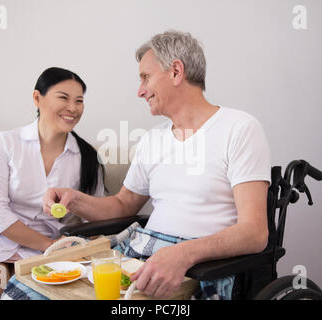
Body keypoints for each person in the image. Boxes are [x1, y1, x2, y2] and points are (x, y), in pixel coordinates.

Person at [44, 30, 272, 300]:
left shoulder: (239, 128)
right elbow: (122, 205)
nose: (140, 91)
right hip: (143, 252)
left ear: (176, 71)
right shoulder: (152, 139)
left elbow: (255, 233)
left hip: (201, 267)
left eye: (145, 77)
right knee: (31, 290)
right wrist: (74, 200)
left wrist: (182, 255)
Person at [0, 67, 105, 300]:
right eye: (63, 98)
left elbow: (96, 218)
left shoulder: (87, 158)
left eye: (79, 101)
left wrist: (84, 250)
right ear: (37, 98)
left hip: (46, 249)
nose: (73, 108)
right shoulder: (6, 143)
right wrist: (49, 245)